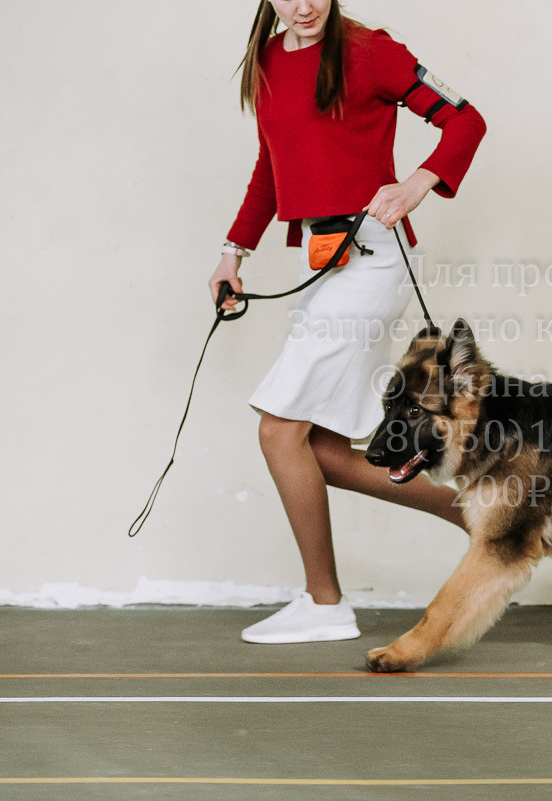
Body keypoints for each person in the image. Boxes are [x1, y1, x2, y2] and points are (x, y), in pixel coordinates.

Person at [207, 0, 486, 644]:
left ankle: (325, 604)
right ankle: (482, 514)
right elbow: (271, 167)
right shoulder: (269, 60)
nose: (303, 6)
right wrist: (233, 253)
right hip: (322, 259)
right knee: (322, 451)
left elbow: (465, 122)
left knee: (280, 432)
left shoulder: (370, 50)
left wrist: (416, 184)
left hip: (372, 261)